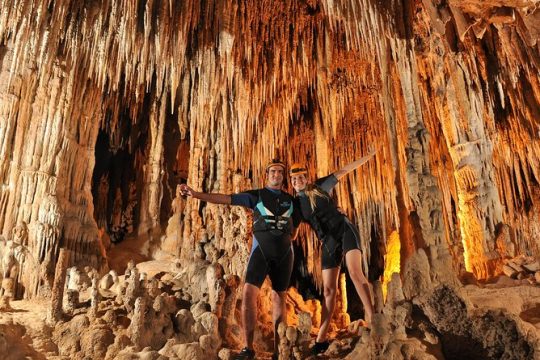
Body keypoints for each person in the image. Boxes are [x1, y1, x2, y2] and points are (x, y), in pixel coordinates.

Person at [180, 160, 300, 360]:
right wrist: (196, 194)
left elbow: (296, 229)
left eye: (280, 172)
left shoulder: (292, 201)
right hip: (261, 251)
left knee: (280, 298)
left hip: (285, 254)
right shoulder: (257, 196)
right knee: (248, 293)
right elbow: (226, 198)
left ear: (284, 176)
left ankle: (281, 351)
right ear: (267, 174)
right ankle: (248, 348)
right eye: (273, 171)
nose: (276, 175)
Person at [289, 150, 376, 355]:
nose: (298, 181)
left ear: (306, 177)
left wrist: (369, 155)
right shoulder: (296, 206)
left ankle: (373, 319)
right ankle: (321, 338)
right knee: (328, 291)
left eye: (301, 177)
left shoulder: (320, 186)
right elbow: (292, 234)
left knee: (355, 272)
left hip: (344, 230)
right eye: (294, 179)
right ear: (291, 182)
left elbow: (345, 170)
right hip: (327, 242)